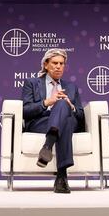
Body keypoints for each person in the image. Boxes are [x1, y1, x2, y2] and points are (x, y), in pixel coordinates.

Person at [21, 48, 85, 193]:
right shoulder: (31, 83)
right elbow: (24, 111)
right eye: (55, 63)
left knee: (64, 107)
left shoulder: (71, 87)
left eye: (62, 64)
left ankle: (48, 145)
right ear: (45, 64)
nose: (58, 66)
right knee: (66, 123)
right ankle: (61, 178)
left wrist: (71, 106)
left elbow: (81, 115)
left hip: (66, 119)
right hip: (41, 121)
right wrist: (47, 102)